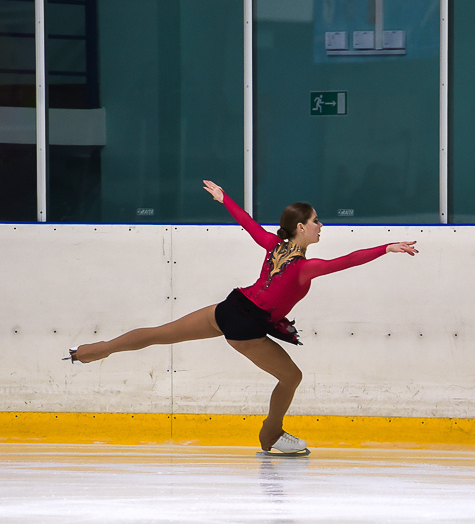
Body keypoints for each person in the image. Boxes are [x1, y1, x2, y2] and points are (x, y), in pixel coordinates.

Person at [66, 180, 418, 455]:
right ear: (300, 227)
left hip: (229, 309)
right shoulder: (305, 268)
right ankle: (271, 434)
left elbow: (248, 223)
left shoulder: (273, 245)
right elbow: (347, 261)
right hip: (246, 327)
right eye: (315, 221)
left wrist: (224, 198)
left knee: (160, 333)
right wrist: (386, 248)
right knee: (291, 376)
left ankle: (91, 350)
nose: (320, 225)